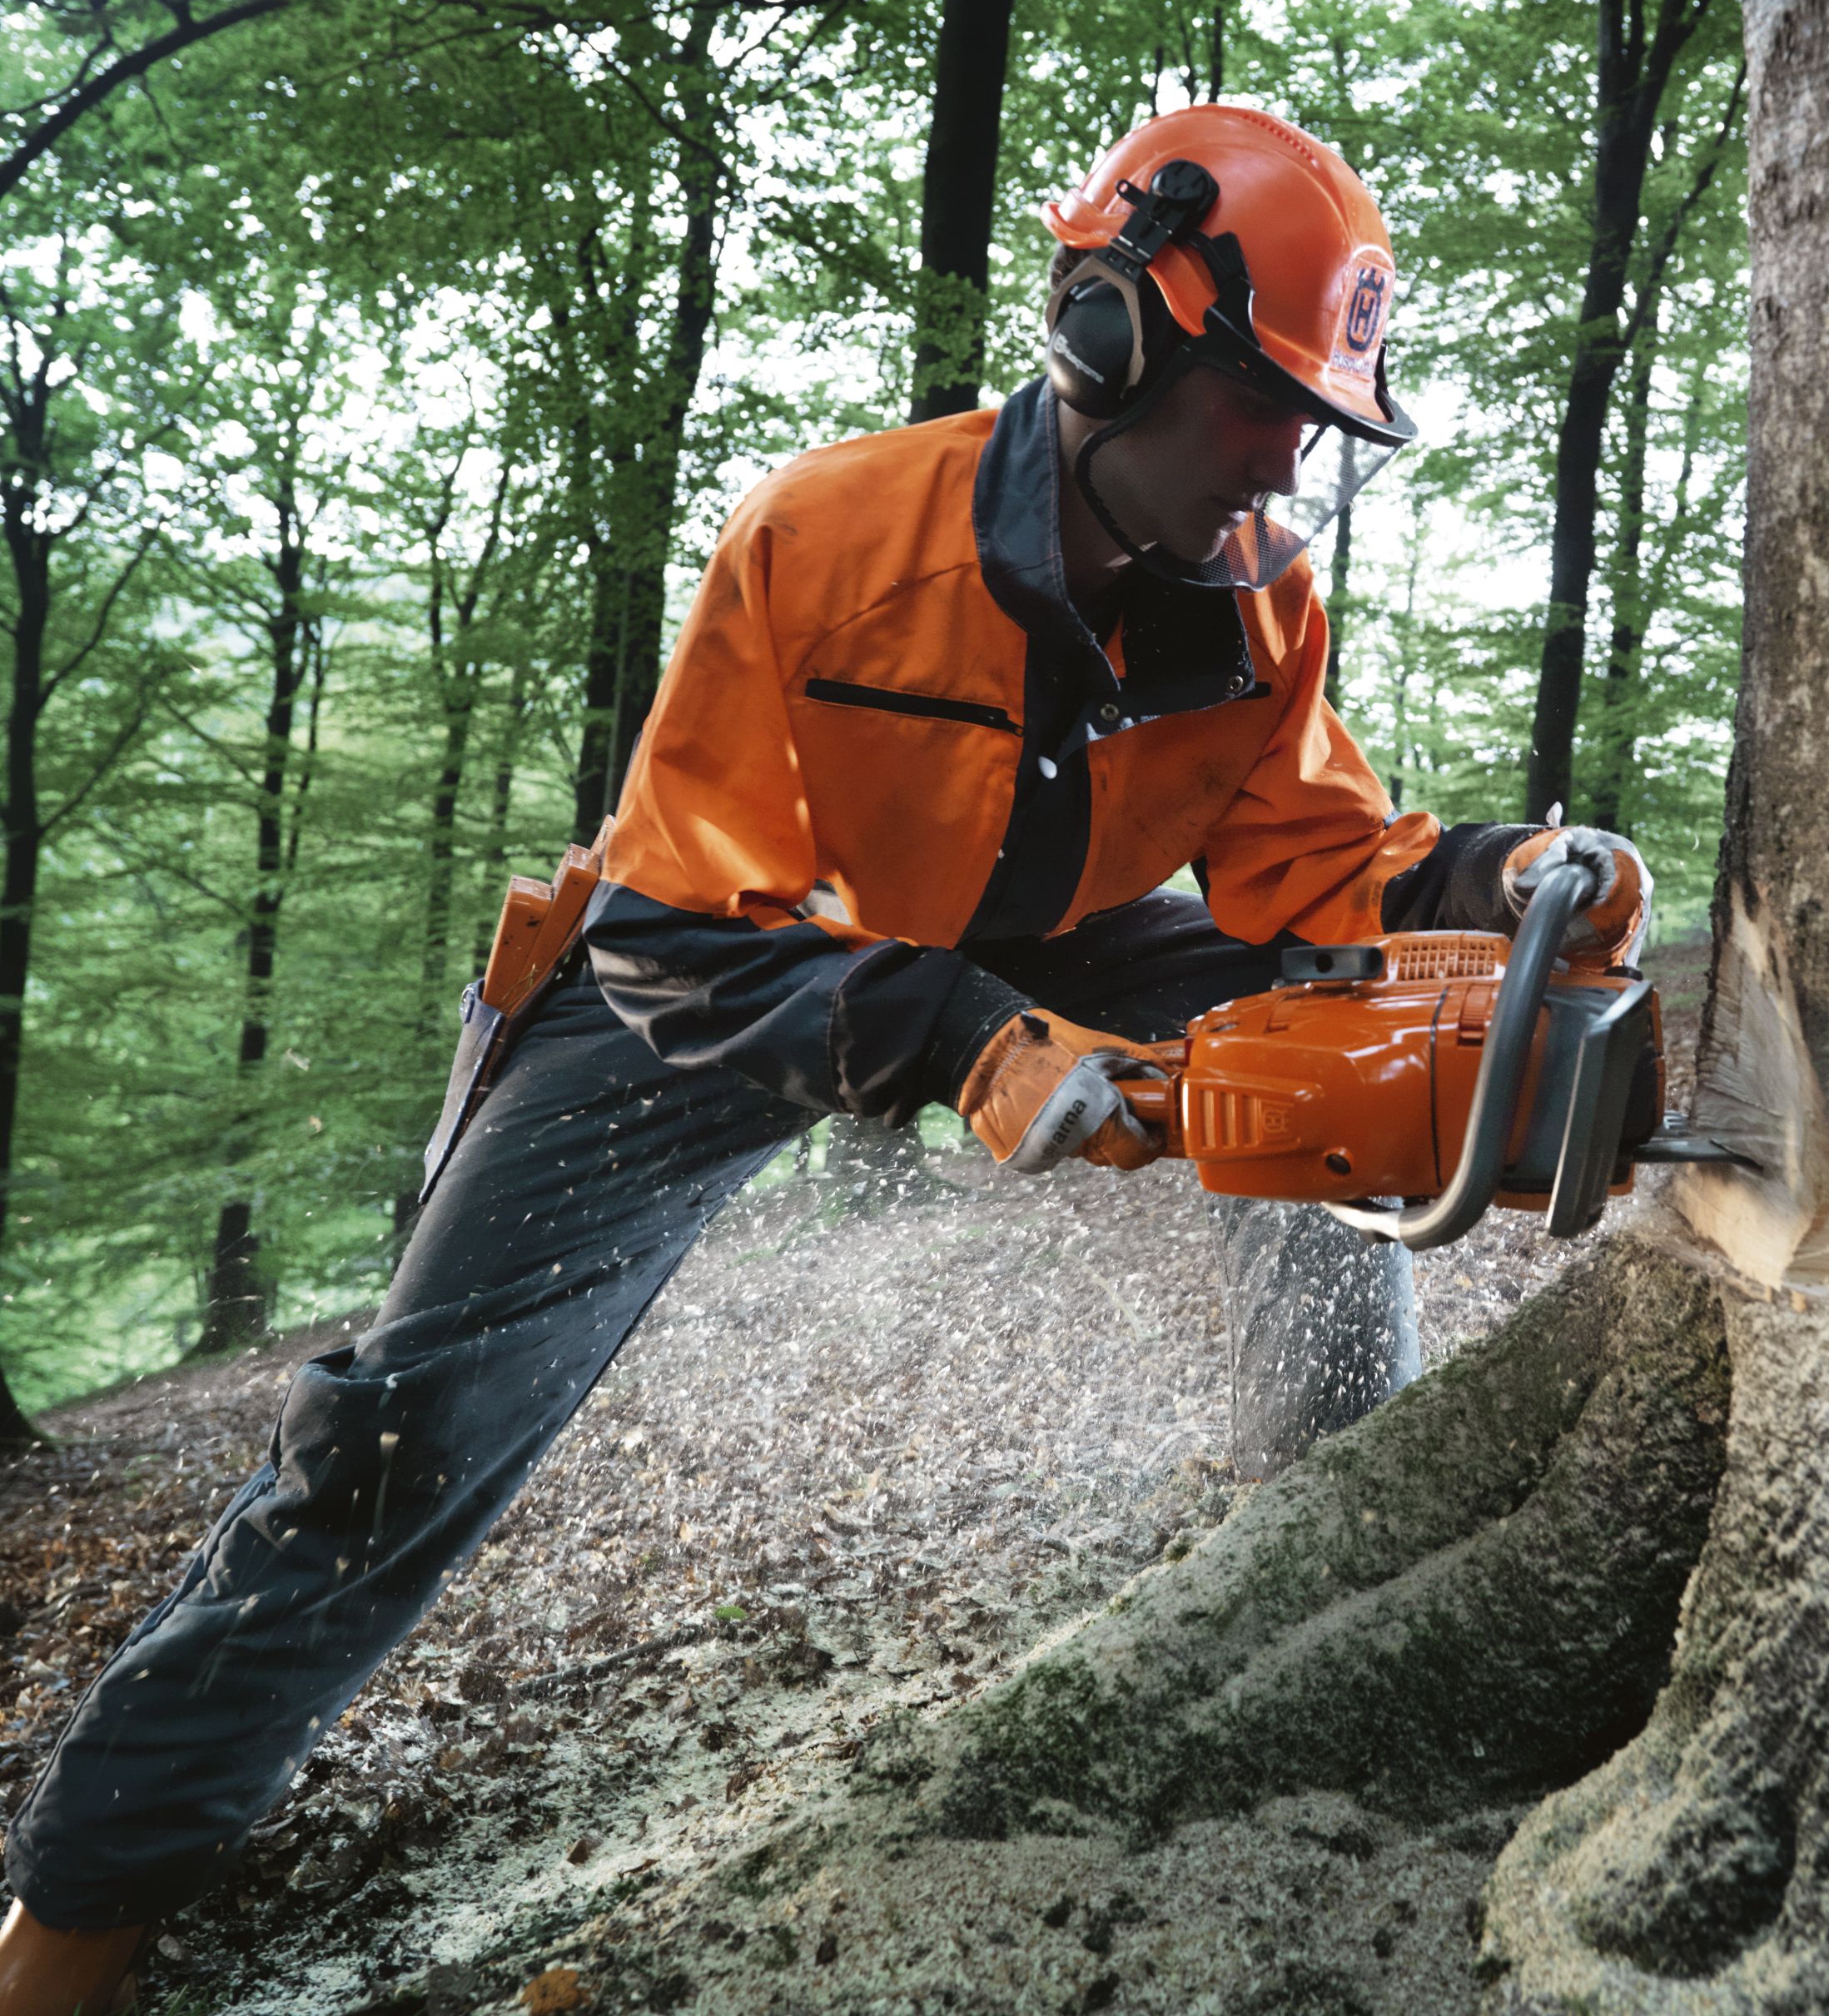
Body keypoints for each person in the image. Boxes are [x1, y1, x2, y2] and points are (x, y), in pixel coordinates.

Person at [0, 103, 1644, 2010]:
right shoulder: (835, 538)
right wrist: (963, 1038)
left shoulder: (1256, 593)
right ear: (1114, 337)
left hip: (1043, 919)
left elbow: (1311, 865)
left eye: (1311, 421)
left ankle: (1332, 1525)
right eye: (1262, 405)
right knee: (400, 1431)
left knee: (1341, 1042)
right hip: (707, 967)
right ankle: (73, 1913)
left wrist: (1496, 874)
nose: (1288, 458)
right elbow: (690, 917)